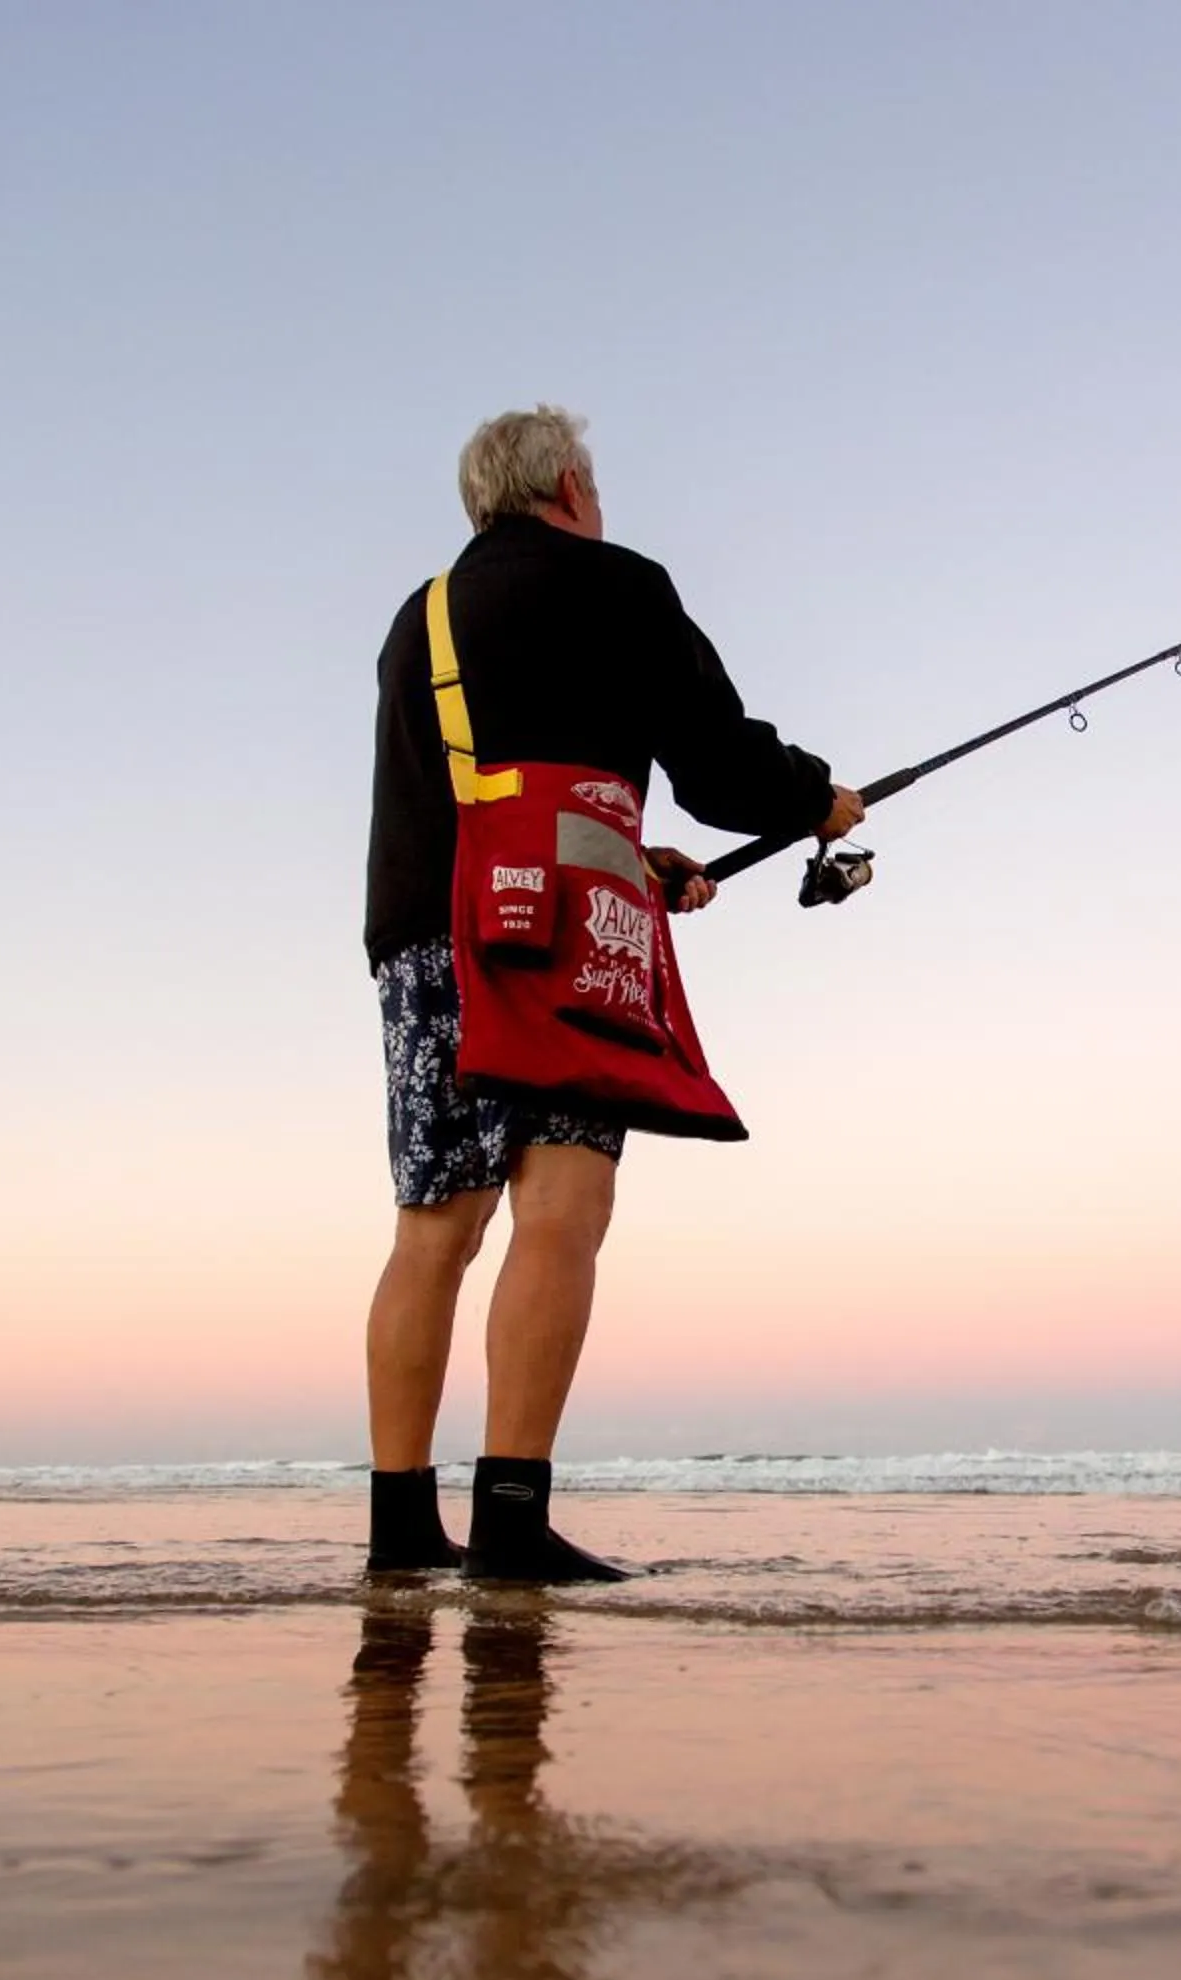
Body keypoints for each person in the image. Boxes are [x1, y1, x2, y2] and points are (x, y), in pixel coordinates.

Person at [360, 405, 861, 1583]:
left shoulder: (417, 618)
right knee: (561, 1210)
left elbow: (481, 797)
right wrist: (819, 798)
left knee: (434, 1227)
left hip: (428, 933)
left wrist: (644, 859)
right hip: (562, 940)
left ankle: (398, 1530)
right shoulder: (619, 585)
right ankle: (515, 1523)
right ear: (570, 484)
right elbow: (722, 763)